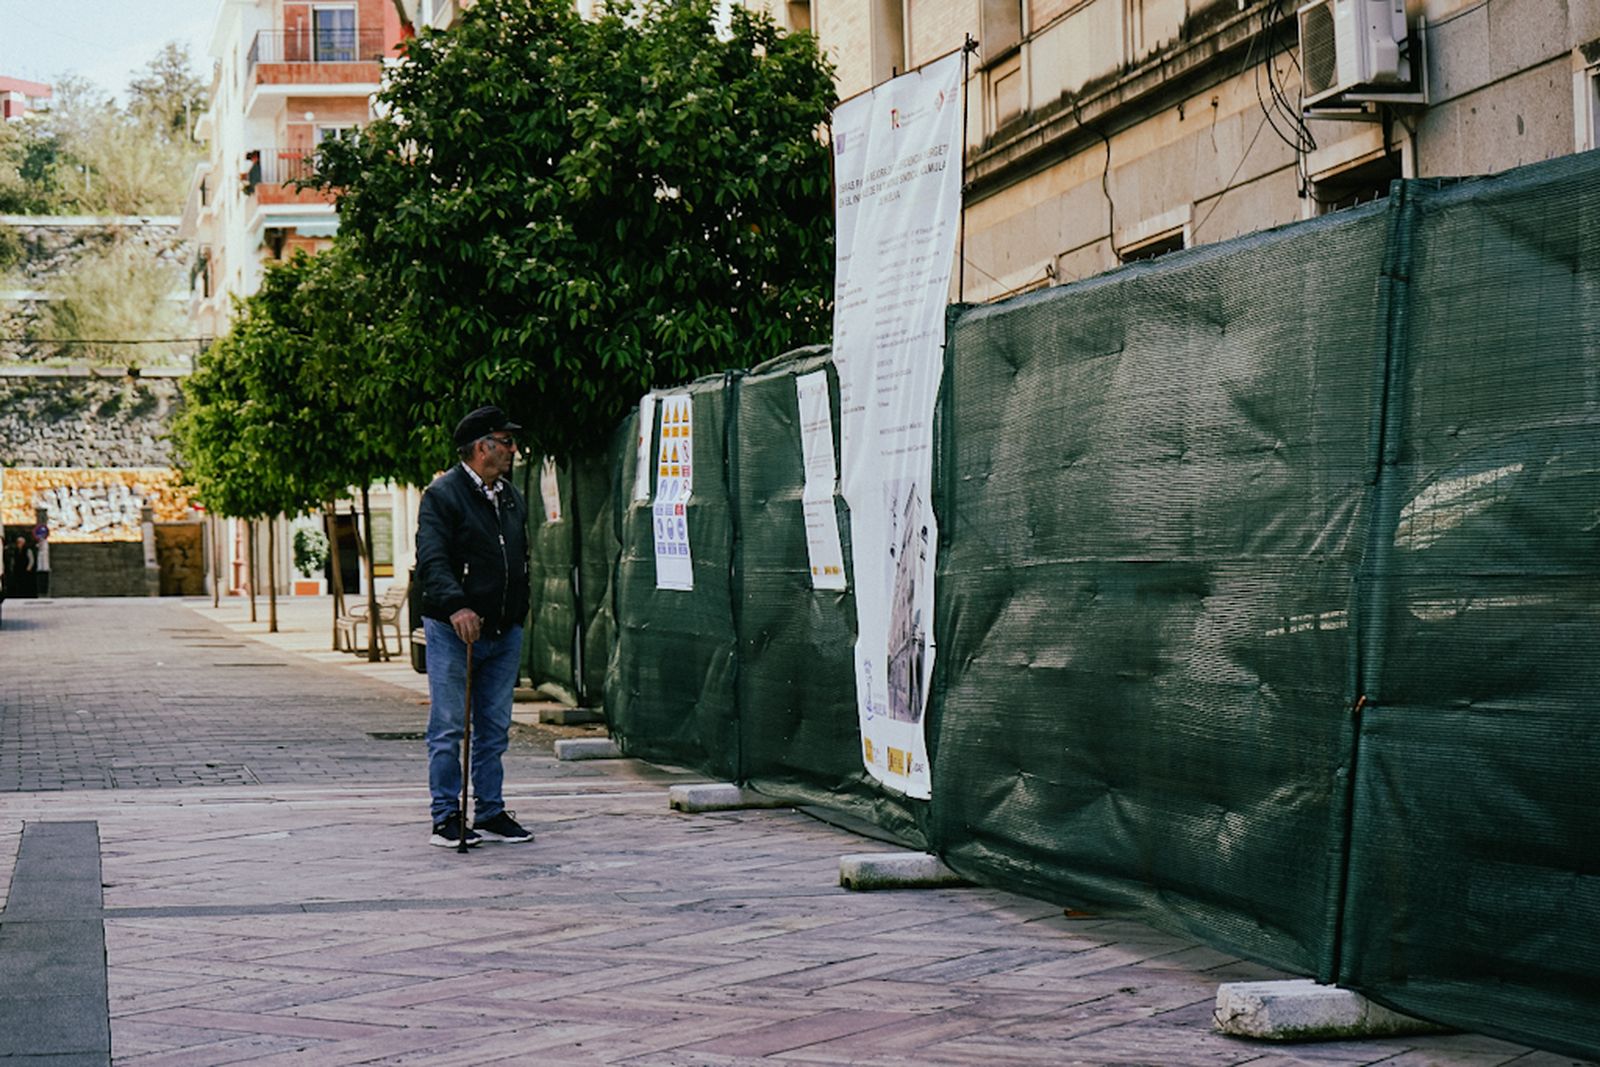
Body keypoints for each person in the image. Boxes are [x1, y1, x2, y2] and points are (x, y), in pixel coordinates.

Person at [415, 405, 535, 848]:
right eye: (506, 441)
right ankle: (446, 815)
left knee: (494, 725)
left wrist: (519, 608)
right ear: (482, 446)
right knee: (448, 724)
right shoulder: (443, 495)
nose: (512, 449)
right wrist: (457, 607)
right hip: (454, 630)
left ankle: (489, 809)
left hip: (504, 629)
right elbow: (433, 560)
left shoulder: (510, 495)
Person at [3, 535, 36, 600]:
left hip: (25, 570)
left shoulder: (28, 550)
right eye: (18, 542)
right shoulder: (16, 551)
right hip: (18, 570)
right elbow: (14, 560)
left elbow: (31, 560)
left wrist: (28, 568)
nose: (18, 544)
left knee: (26, 583)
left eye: (20, 542)